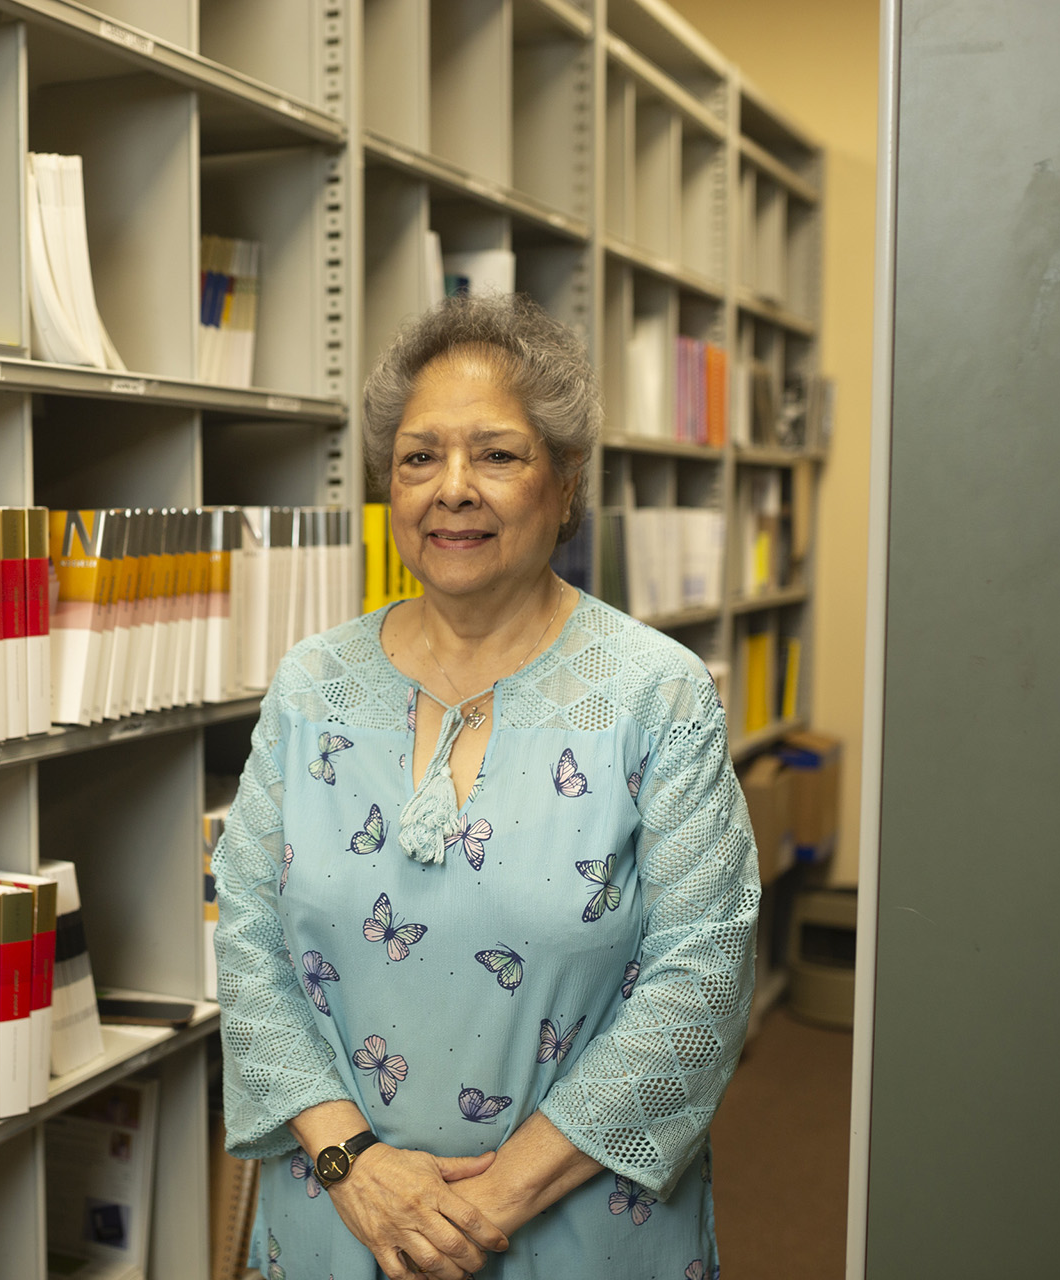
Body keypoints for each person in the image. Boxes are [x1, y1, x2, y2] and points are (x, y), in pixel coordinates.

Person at [213, 294, 760, 1280]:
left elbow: (703, 977)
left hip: (576, 1226)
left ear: (565, 482)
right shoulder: (312, 685)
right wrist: (354, 1162)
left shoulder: (656, 695)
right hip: (344, 1217)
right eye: (421, 456)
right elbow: (247, 938)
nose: (452, 488)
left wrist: (490, 1202)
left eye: (496, 454)